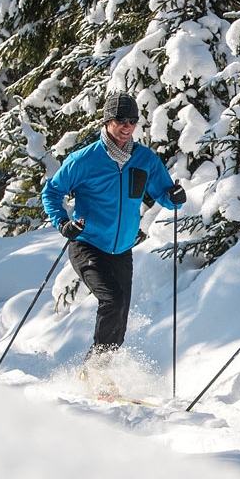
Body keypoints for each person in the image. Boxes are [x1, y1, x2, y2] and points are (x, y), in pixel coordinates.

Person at [41, 94, 186, 390]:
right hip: (87, 243)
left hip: (122, 249)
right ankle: (93, 371)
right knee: (112, 300)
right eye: (121, 120)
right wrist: (63, 222)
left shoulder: (144, 159)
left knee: (120, 313)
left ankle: (99, 371)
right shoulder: (84, 160)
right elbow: (51, 192)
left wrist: (174, 198)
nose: (127, 126)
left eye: (132, 121)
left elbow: (164, 193)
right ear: (107, 121)